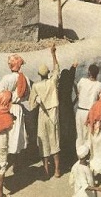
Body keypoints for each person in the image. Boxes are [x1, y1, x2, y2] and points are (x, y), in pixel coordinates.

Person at [28, 44, 61, 178]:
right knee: (55, 141)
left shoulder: (36, 86)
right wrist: (53, 54)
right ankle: (58, 170)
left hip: (42, 115)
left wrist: (37, 98)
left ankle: (46, 170)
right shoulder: (53, 82)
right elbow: (57, 69)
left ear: (39, 75)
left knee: (44, 142)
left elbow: (32, 105)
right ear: (47, 73)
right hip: (53, 114)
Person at [76, 63, 101, 148]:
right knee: (90, 136)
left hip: (80, 111)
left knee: (80, 135)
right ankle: (89, 155)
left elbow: (78, 91)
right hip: (91, 112)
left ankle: (81, 156)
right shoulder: (99, 85)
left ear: (89, 72)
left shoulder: (82, 81)